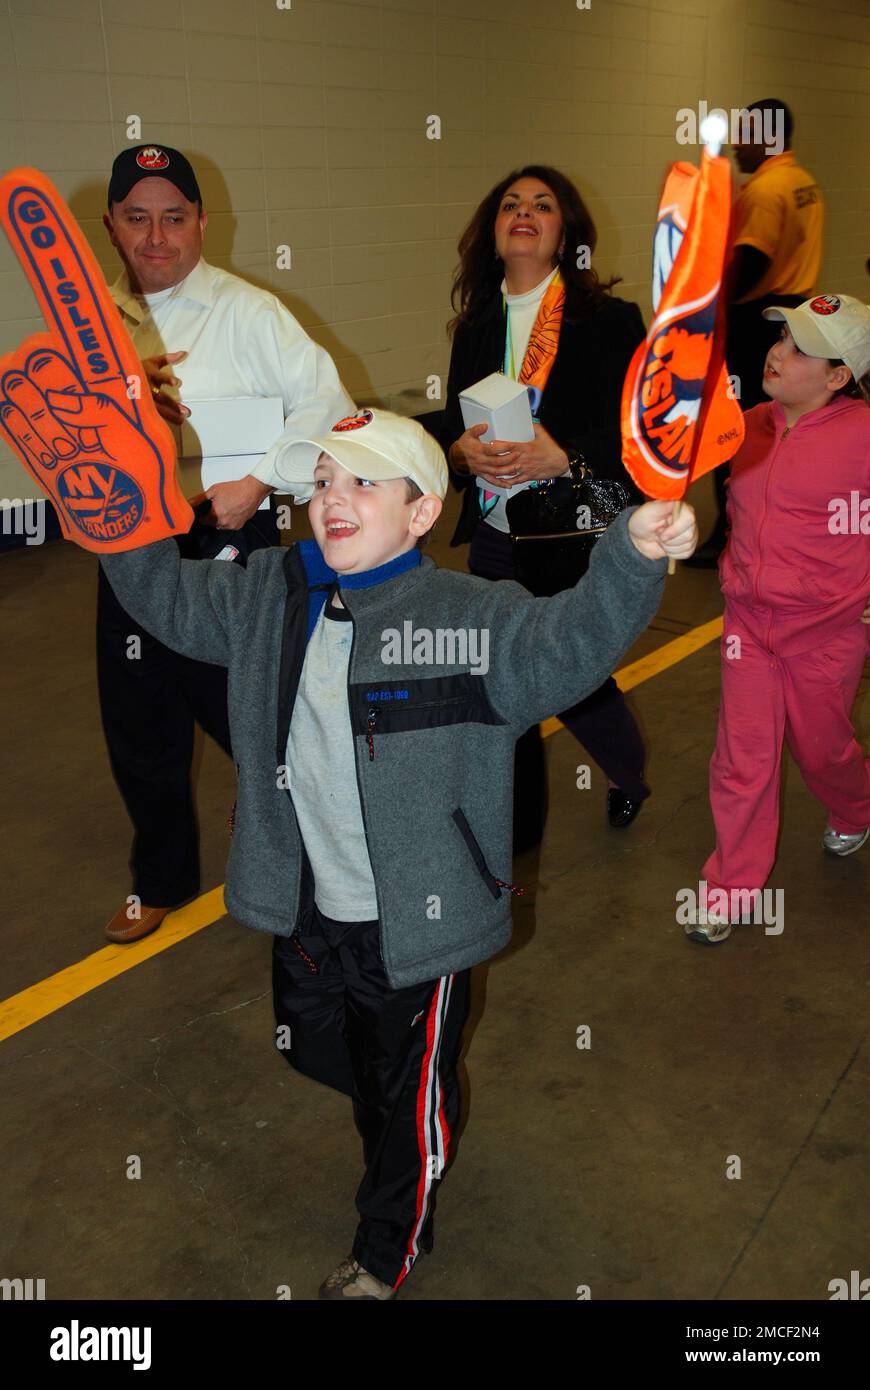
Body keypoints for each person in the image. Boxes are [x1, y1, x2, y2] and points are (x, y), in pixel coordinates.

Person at [91, 407, 699, 1296]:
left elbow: (567, 644)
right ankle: (415, 1106)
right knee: (313, 1049)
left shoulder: (468, 620)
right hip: (305, 900)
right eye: (323, 482)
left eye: (363, 482)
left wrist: (633, 554)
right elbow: (169, 599)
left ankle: (386, 1247)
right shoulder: (273, 593)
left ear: (421, 515)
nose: (333, 500)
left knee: (403, 1103)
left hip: (420, 918)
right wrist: (109, 518)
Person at [98, 144, 353, 944]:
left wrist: (265, 482)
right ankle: (160, 878)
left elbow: (332, 410)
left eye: (174, 218)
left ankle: (314, 859)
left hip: (230, 535)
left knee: (254, 715)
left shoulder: (252, 313)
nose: (157, 237)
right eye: (137, 218)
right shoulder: (96, 323)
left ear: (202, 223)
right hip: (132, 539)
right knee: (139, 720)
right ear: (111, 226)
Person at [443, 165, 649, 843]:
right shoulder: (477, 323)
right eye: (510, 205)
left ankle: (627, 771)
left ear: (566, 237)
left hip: (571, 533)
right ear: (495, 234)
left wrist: (563, 455)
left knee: (575, 678)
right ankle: (513, 839)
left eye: (542, 205)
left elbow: (639, 429)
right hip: (497, 531)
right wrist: (459, 452)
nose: (523, 212)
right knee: (502, 684)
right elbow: (451, 421)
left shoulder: (608, 321)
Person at [686, 294, 870, 945]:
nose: (777, 352)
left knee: (823, 750)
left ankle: (856, 806)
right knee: (743, 758)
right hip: (748, 626)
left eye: (799, 348)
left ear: (838, 375)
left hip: (827, 634)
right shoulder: (745, 424)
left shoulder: (863, 436)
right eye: (781, 336)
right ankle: (731, 887)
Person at [690, 99, 825, 564]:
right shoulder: (804, 183)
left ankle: (729, 535)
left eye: (746, 134)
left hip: (755, 322)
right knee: (778, 424)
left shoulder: (766, 191)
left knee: (733, 425)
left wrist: (709, 309)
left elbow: (752, 262)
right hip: (795, 316)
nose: (736, 145)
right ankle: (768, 523)